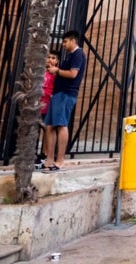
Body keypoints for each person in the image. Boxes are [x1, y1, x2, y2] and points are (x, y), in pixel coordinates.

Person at [44, 31, 85, 172]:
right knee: (49, 126)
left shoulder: (78, 54)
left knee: (61, 124)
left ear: (73, 41)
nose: (63, 44)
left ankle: (60, 161)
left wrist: (57, 70)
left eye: (65, 41)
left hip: (66, 93)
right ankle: (49, 160)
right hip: (57, 94)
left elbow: (73, 74)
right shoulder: (70, 56)